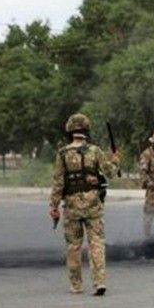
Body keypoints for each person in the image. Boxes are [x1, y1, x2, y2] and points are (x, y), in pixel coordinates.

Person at [49, 114, 121, 296]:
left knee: (73, 246)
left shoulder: (63, 154)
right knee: (96, 243)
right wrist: (116, 161)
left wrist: (54, 206)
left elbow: (58, 182)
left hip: (71, 206)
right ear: (86, 131)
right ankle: (99, 282)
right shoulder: (95, 151)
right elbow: (111, 173)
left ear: (70, 131)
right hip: (93, 205)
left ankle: (76, 285)